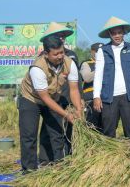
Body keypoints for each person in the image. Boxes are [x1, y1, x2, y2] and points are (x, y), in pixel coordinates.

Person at [18, 36, 82, 173]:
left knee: (56, 132)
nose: (60, 56)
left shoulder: (69, 63)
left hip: (53, 97)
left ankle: (58, 166)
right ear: (46, 54)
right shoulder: (37, 68)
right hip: (31, 99)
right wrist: (66, 115)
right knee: (29, 135)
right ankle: (29, 170)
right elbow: (45, 98)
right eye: (55, 54)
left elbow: (74, 89)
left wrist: (78, 110)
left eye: (61, 52)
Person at [93, 16, 130, 141]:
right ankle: (110, 159)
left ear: (124, 32)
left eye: (119, 32)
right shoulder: (103, 51)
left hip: (129, 96)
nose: (117, 35)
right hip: (109, 97)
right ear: (109, 34)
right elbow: (98, 74)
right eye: (114, 33)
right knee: (108, 131)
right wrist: (96, 96)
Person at [38, 22, 81, 165]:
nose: (61, 39)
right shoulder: (42, 58)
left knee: (66, 131)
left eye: (63, 36)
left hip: (67, 97)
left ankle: (66, 158)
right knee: (48, 130)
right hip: (50, 99)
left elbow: (75, 83)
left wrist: (78, 105)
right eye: (58, 36)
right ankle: (45, 160)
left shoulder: (72, 56)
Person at [79, 43, 104, 130]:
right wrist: (100, 67)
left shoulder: (109, 63)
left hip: (105, 98)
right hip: (90, 98)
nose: (99, 53)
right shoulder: (86, 63)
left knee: (104, 124)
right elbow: (86, 77)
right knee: (92, 124)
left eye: (102, 51)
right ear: (92, 51)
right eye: (97, 51)